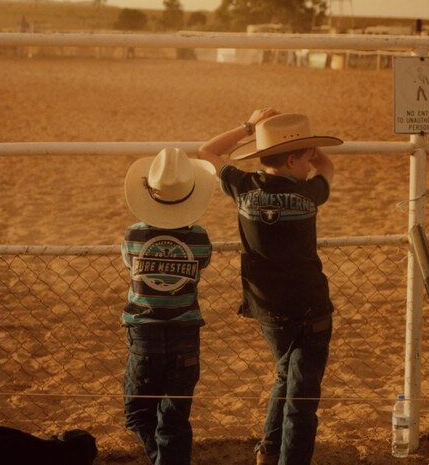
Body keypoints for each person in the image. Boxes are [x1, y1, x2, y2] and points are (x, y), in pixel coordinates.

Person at [198, 109, 343, 465]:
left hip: (267, 307)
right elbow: (328, 168)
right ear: (293, 158)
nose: (310, 164)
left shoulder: (244, 187)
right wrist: (312, 143)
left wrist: (250, 127)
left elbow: (206, 152)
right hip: (311, 305)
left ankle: (269, 449)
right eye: (304, 156)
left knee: (284, 372)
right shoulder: (309, 193)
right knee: (303, 399)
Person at [121, 147, 216, 465]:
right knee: (175, 418)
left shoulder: (134, 235)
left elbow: (128, 263)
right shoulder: (200, 239)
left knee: (137, 413)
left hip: (144, 334)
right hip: (186, 333)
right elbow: (200, 266)